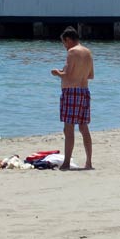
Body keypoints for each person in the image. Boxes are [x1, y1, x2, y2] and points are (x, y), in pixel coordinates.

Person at [50, 27, 94, 170]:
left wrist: (57, 73)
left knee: (68, 128)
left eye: (64, 43)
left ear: (68, 40)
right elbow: (90, 75)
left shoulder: (72, 52)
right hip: (84, 91)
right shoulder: (88, 52)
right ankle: (88, 162)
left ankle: (67, 162)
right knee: (83, 127)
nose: (64, 46)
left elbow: (67, 75)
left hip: (71, 92)